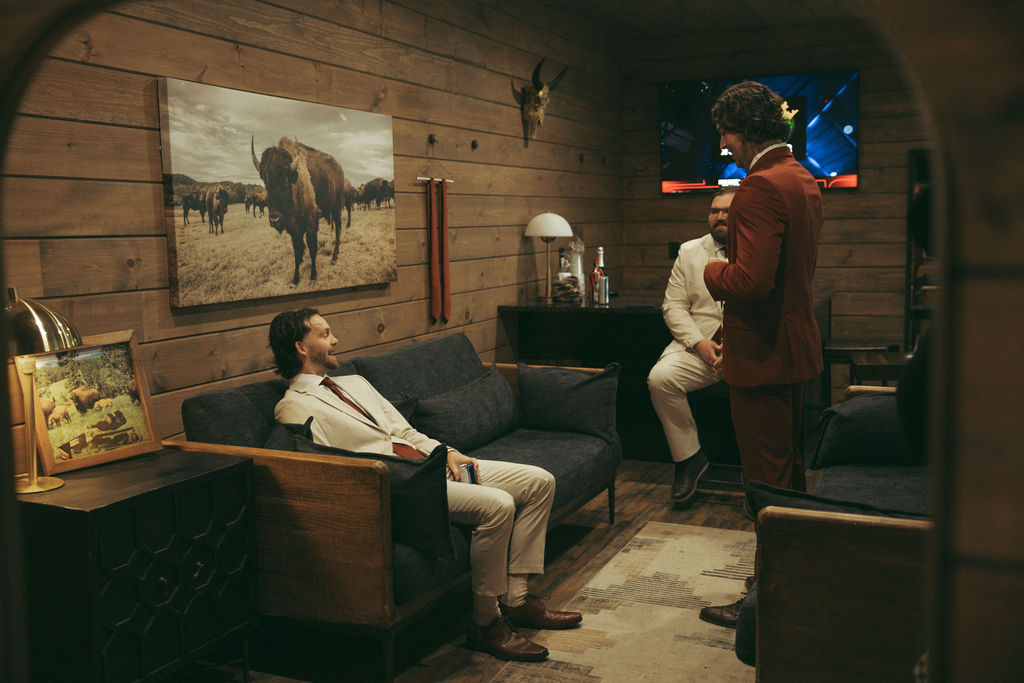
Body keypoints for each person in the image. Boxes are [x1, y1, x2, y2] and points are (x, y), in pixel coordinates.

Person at [268, 308, 581, 662]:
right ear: (301, 347)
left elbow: (402, 431)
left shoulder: (354, 382)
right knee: (498, 505)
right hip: (400, 486)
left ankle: (517, 600)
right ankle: (486, 622)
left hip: (431, 464)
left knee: (540, 481)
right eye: (324, 334)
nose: (335, 339)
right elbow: (335, 470)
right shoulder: (293, 407)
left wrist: (445, 451)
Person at [699, 80, 824, 629]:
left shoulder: (757, 187)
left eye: (725, 132)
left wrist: (709, 271)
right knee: (789, 473)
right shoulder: (801, 178)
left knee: (765, 483)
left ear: (744, 130)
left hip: (764, 358)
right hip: (792, 347)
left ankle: (771, 599)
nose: (724, 144)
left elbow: (749, 281)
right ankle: (789, 573)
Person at [647, 187, 736, 503]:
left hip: (746, 353)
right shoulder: (689, 251)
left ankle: (759, 478)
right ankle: (688, 459)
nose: (720, 216)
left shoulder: (759, 249)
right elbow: (673, 307)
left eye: (727, 210)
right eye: (715, 210)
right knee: (660, 379)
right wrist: (699, 343)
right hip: (700, 349)